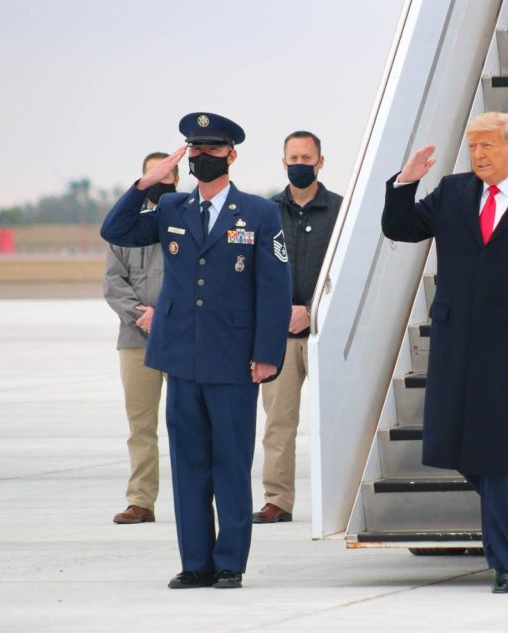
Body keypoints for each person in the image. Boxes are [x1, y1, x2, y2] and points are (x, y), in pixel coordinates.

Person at [381, 111, 508, 594]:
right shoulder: (453, 192)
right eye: (473, 147)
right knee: (447, 440)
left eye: (487, 146)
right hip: (456, 340)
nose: (478, 155)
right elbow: (401, 229)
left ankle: (504, 565)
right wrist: (404, 184)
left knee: (499, 451)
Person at [100, 112, 292, 590]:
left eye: (212, 149)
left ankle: (229, 562)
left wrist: (267, 353)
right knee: (188, 466)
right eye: (195, 149)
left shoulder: (259, 213)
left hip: (233, 361)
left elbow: (274, 289)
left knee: (229, 463)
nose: (203, 157)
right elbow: (116, 229)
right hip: (181, 357)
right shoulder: (171, 209)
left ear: (232, 154)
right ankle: (195, 563)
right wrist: (146, 183)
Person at [253, 131, 343, 524]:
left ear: (321, 162)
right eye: (294, 157)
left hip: (326, 333)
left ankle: (343, 497)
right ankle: (278, 500)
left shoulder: (342, 210)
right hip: (278, 336)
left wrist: (310, 310)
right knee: (278, 423)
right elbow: (256, 274)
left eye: (307, 157)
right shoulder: (265, 212)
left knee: (338, 420)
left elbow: (346, 271)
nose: (300, 163)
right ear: (283, 162)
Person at [104, 152, 176, 524]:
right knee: (141, 426)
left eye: (167, 175)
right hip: (136, 340)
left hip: (180, 338)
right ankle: (141, 501)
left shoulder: (187, 220)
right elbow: (113, 284)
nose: (161, 182)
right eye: (153, 176)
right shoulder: (124, 231)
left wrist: (163, 315)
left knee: (188, 423)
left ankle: (193, 499)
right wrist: (141, 315)